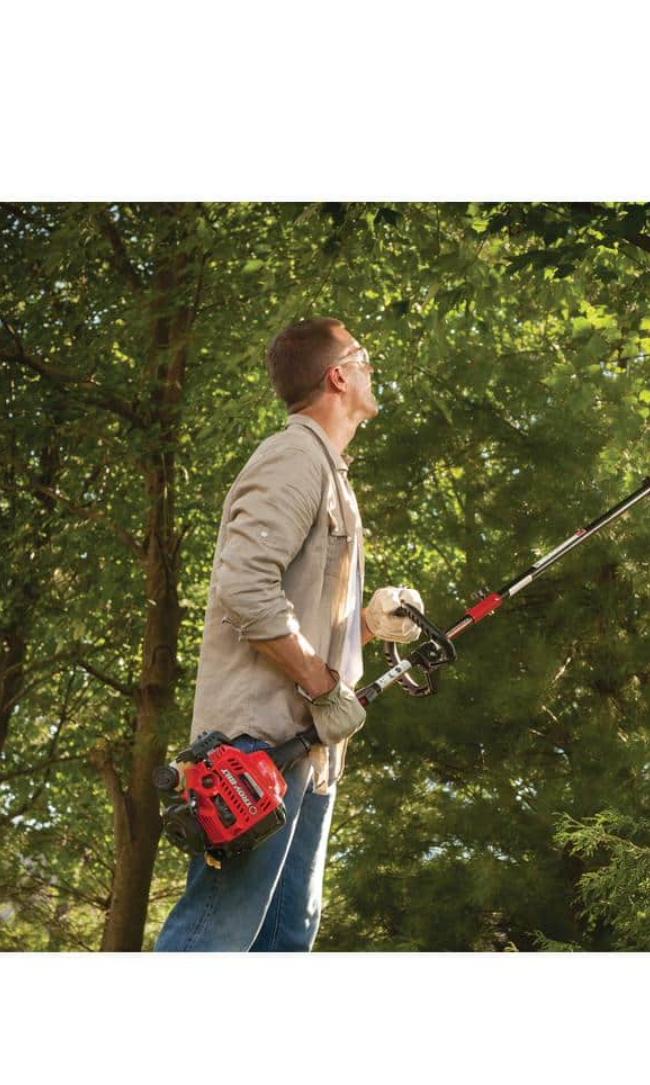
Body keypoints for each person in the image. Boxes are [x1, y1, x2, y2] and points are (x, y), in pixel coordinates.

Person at [153, 316, 423, 952]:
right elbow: (245, 588)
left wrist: (364, 625)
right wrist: (324, 685)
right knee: (215, 935)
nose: (371, 368)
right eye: (362, 357)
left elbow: (292, 610)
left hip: (308, 750)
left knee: (283, 943)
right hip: (256, 747)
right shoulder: (293, 458)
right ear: (338, 376)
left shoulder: (330, 473)